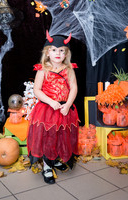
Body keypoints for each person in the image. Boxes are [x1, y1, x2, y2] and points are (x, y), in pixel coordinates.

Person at [27, 30, 80, 184]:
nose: (58, 53)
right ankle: (47, 166)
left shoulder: (69, 69)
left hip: (64, 110)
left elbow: (74, 88)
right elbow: (37, 90)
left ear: (66, 54)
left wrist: (68, 104)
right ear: (47, 52)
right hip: (47, 110)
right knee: (48, 138)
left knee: (61, 136)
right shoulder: (42, 70)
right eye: (54, 50)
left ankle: (55, 159)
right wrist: (51, 102)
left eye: (62, 51)